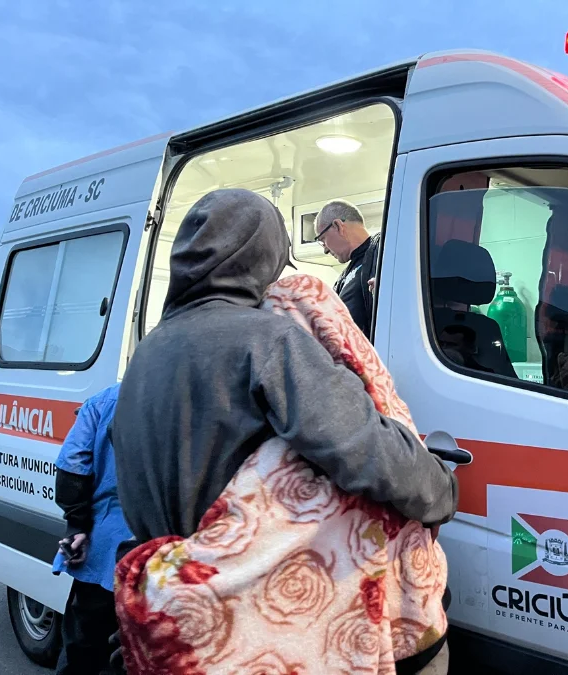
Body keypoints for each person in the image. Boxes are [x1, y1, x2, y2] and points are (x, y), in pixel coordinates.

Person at [110, 189, 457, 672]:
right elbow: (363, 447)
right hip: (256, 625)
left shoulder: (146, 355)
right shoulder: (266, 339)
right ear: (263, 255)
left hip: (178, 620)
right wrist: (440, 489)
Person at [51, 382, 131, 675]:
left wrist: (77, 526)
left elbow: (72, 464)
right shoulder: (204, 397)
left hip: (104, 548)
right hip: (166, 552)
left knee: (83, 648)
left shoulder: (104, 400)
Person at [313, 199, 380, 336]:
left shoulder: (385, 248)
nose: (325, 250)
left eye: (323, 239)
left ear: (338, 226)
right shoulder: (342, 279)